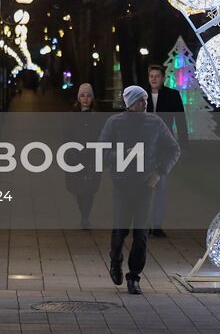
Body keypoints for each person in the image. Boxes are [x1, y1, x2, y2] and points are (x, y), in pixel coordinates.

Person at [98, 85, 180, 295]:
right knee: (120, 230)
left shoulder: (155, 122)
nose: (144, 104)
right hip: (122, 184)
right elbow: (101, 153)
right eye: (139, 100)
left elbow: (173, 148)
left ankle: (134, 277)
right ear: (129, 104)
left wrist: (159, 172)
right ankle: (115, 260)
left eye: (145, 100)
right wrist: (121, 155)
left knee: (141, 233)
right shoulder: (114, 122)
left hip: (145, 185)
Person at [145, 64, 184, 237]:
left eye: (157, 76)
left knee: (161, 186)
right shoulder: (142, 95)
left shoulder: (172, 96)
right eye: (151, 76)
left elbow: (181, 121)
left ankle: (157, 225)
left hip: (163, 147)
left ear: (163, 78)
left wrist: (184, 145)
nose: (154, 79)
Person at [63, 83, 102, 228]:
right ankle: (83, 213)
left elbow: (101, 136)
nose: (86, 99)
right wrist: (71, 152)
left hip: (92, 157)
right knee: (79, 189)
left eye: (89, 96)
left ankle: (86, 216)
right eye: (83, 96)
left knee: (89, 189)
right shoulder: (71, 116)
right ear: (79, 98)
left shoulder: (96, 116)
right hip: (76, 157)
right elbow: (66, 136)